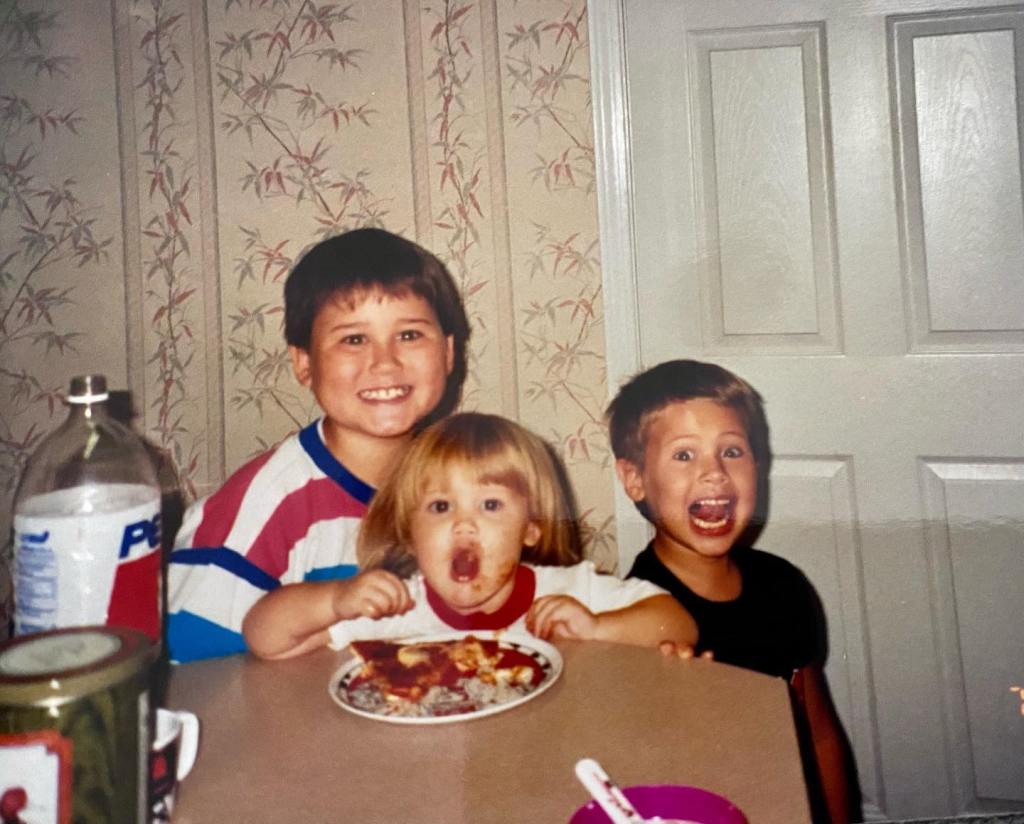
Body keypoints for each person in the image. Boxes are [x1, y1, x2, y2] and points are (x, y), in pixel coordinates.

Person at [166, 228, 471, 662]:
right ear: (304, 363)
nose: (385, 362)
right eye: (354, 339)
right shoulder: (270, 501)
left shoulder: (458, 478)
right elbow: (185, 658)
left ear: (448, 352)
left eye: (409, 335)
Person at [606, 360, 859, 824]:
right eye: (685, 455)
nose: (715, 473)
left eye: (732, 451)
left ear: (757, 466)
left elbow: (819, 733)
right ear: (634, 478)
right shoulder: (634, 622)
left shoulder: (784, 585)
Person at [242, 412, 697, 658]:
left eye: (491, 505)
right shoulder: (398, 605)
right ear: (410, 533)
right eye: (441, 507)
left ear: (531, 528)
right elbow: (265, 638)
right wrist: (335, 600)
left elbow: (679, 623)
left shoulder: (563, 594)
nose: (464, 524)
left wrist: (597, 628)